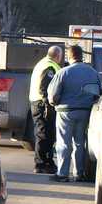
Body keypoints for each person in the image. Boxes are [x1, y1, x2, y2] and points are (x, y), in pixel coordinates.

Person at [46, 45, 102, 182]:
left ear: (69, 56)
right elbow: (99, 92)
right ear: (81, 56)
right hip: (85, 112)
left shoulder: (63, 72)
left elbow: (53, 95)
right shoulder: (93, 72)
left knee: (64, 143)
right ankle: (79, 173)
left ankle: (63, 173)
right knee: (80, 142)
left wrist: (55, 104)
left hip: (65, 112)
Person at [28, 46, 63, 174]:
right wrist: (48, 103)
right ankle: (40, 163)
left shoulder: (42, 63)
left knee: (45, 133)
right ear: (57, 56)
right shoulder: (50, 66)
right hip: (42, 105)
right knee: (44, 134)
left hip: (37, 103)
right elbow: (44, 87)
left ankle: (46, 161)